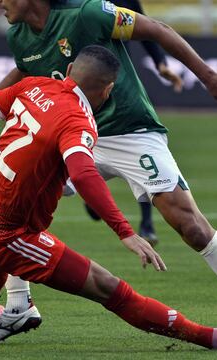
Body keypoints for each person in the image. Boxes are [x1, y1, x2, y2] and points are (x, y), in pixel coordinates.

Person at [0, 0, 217, 349]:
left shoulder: (89, 14)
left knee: (191, 226)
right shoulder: (19, 34)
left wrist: (207, 76)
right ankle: (18, 304)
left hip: (130, 131)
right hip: (71, 134)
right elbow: (23, 72)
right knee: (17, 203)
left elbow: (159, 30)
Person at [82, 0, 183, 245]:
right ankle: (90, 186)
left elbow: (146, 27)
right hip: (86, 83)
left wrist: (161, 64)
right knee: (88, 143)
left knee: (143, 151)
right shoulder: (81, 7)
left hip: (120, 79)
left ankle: (146, 223)